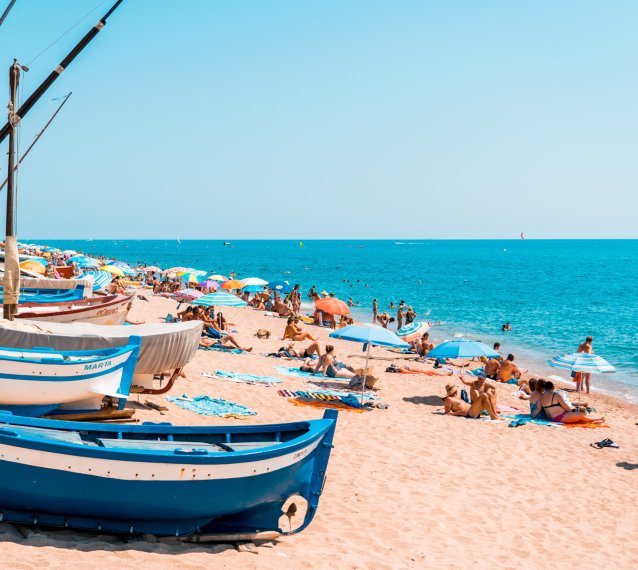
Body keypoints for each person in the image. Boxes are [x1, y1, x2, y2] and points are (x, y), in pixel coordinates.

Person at [538, 381, 604, 424]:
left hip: (551, 417)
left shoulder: (542, 396)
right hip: (560, 417)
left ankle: (594, 421)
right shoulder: (555, 394)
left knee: (577, 418)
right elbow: (567, 408)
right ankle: (596, 419)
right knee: (581, 415)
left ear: (545, 388)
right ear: (552, 387)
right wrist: (571, 409)